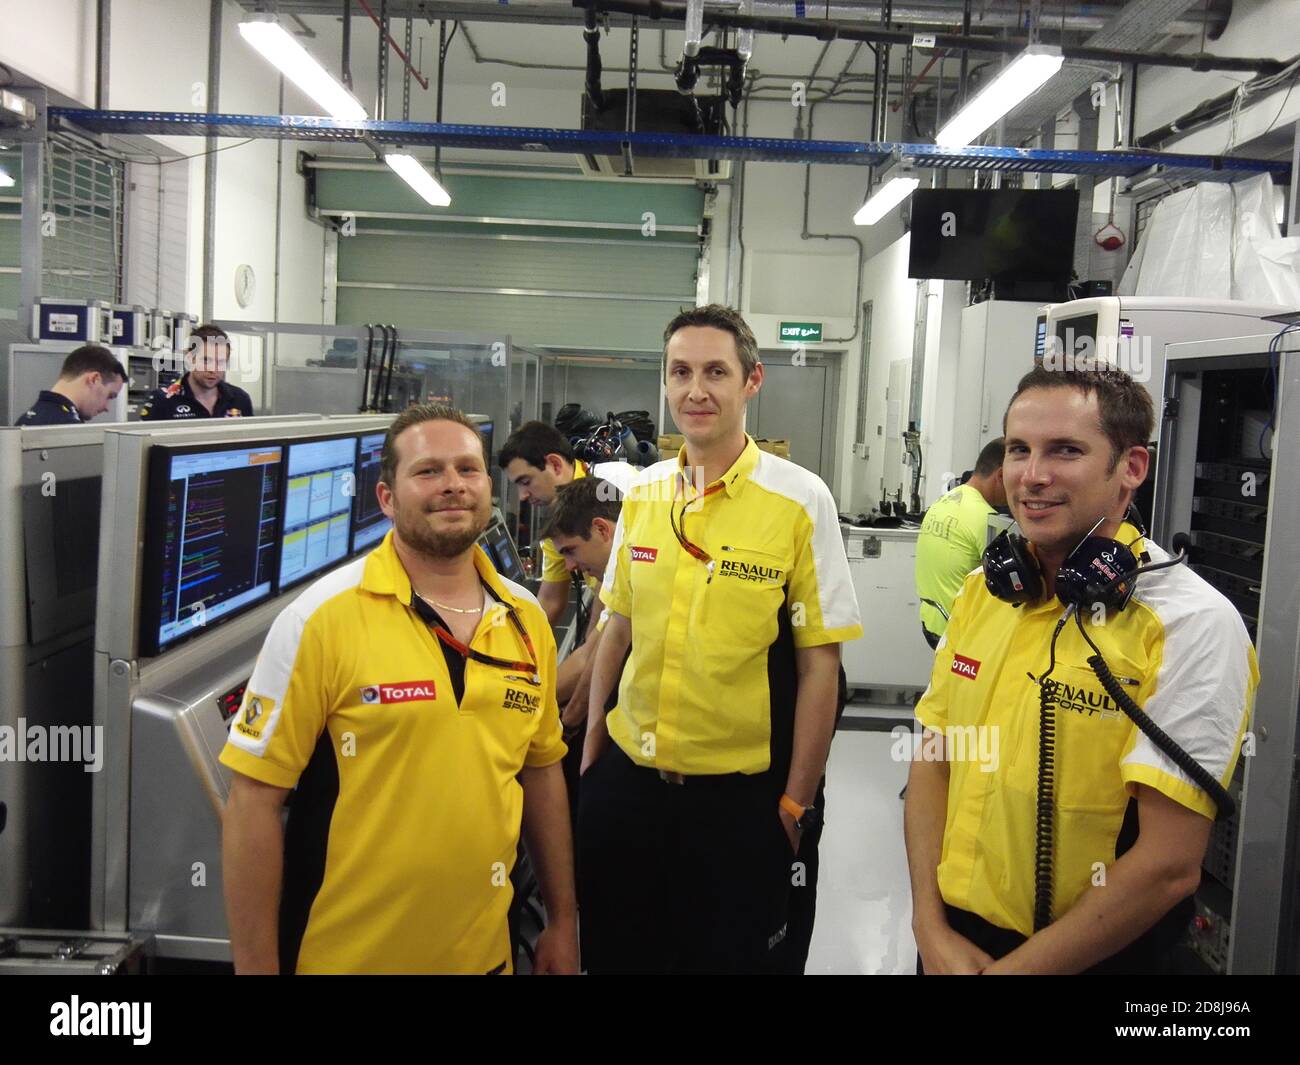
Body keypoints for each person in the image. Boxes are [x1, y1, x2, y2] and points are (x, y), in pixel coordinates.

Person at [904, 366, 1257, 975]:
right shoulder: (982, 595)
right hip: (953, 947)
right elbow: (933, 764)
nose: (1032, 476)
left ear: (1132, 468)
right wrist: (928, 927)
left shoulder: (1190, 624)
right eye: (1019, 450)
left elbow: (1169, 865)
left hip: (1097, 958)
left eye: (1065, 450)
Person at [220, 404, 578, 974]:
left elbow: (540, 772)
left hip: (484, 956)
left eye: (468, 469)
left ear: (489, 487)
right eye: (428, 471)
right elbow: (252, 804)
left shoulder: (524, 618)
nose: (453, 485)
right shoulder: (322, 620)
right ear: (387, 497)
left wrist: (563, 919)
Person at [578, 304, 862, 974]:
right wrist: (593, 749)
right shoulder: (643, 495)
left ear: (751, 380)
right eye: (680, 372)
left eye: (715, 371)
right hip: (629, 787)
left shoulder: (799, 500)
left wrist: (795, 802)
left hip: (736, 804)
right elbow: (616, 628)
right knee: (620, 956)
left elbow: (821, 666)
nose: (695, 389)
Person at [540, 476, 625, 828]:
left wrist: (557, 720)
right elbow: (593, 640)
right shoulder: (615, 559)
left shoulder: (630, 561)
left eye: (571, 551)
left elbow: (595, 657)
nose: (570, 566)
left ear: (602, 530)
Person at [499, 421, 635, 625]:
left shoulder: (622, 483)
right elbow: (551, 600)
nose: (522, 496)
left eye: (526, 482)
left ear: (555, 464)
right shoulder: (557, 521)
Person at [915, 438, 1007, 649]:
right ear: (1001, 476)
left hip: (932, 620)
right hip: (959, 631)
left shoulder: (946, 500)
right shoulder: (987, 520)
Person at [139, 324, 253, 420]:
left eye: (221, 362)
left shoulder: (240, 399)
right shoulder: (162, 400)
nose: (213, 369)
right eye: (206, 360)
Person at [13, 344, 126, 425]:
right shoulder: (67, 429)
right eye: (110, 396)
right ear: (94, 379)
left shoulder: (25, 419)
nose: (107, 407)